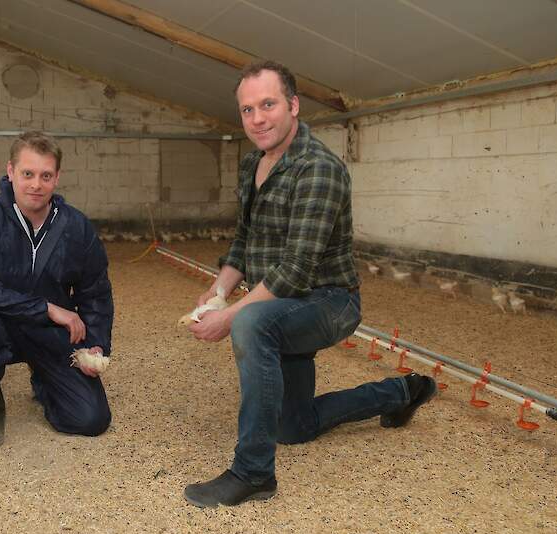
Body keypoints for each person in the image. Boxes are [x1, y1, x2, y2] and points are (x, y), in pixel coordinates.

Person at [183, 61, 437, 507]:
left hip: (328, 302)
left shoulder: (319, 169)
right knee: (294, 428)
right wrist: (219, 289)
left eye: (268, 104)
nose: (257, 118)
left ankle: (253, 472)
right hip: (283, 303)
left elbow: (296, 269)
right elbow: (245, 240)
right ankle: (402, 391)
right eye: (247, 110)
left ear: (293, 105)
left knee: (251, 325)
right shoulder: (252, 166)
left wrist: (230, 316)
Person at [0, 131, 113, 449]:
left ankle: (45, 380)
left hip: (51, 334)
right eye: (27, 174)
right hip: (0, 325)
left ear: (57, 177)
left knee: (91, 420)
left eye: (45, 175)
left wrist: (95, 346)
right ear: (10, 171)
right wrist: (47, 308)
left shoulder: (75, 226)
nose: (36, 185)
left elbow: (94, 291)